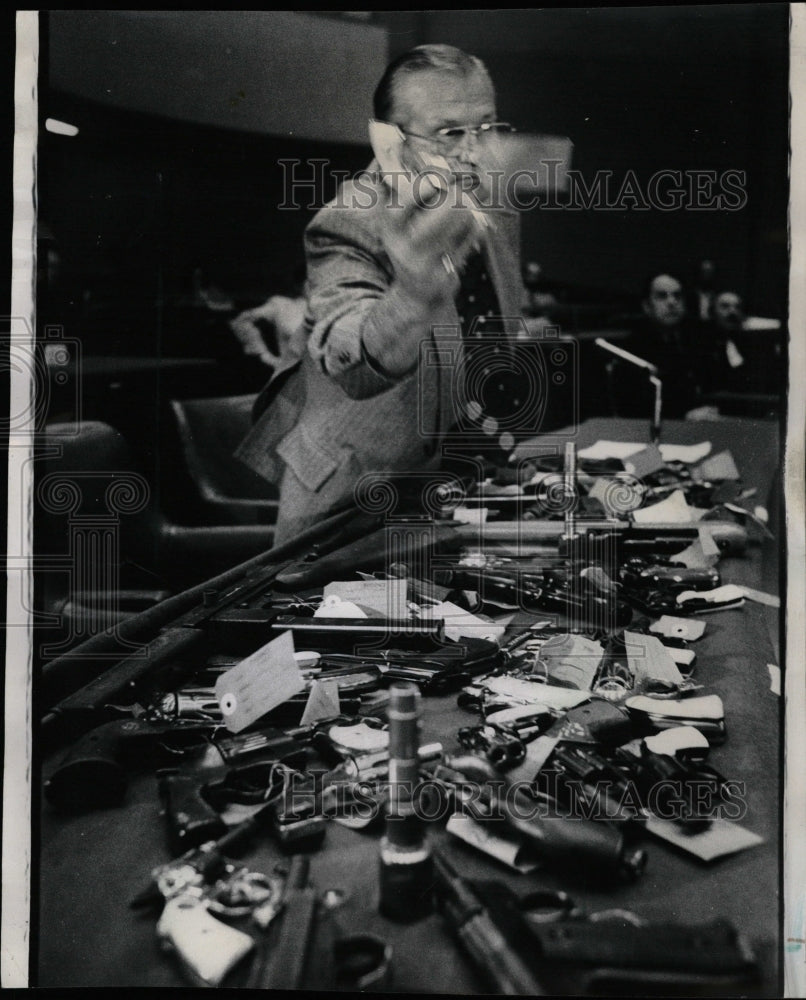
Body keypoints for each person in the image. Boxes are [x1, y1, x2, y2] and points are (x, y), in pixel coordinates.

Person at [235, 45, 530, 543]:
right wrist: (414, 296)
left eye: (487, 128)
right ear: (390, 142)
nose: (475, 153)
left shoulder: (494, 206)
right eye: (450, 132)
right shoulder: (349, 218)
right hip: (349, 506)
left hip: (452, 491)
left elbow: (491, 333)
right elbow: (353, 363)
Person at [604, 271, 709, 420]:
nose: (672, 302)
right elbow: (632, 408)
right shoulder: (632, 347)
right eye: (662, 296)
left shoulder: (693, 340)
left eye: (677, 296)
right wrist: (684, 415)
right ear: (647, 306)